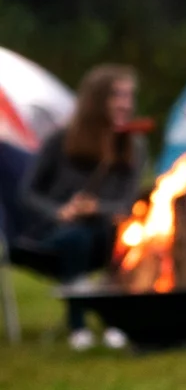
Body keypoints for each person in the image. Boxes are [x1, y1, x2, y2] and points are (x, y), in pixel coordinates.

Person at [11, 64, 150, 348]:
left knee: (114, 235)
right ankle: (79, 325)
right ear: (97, 100)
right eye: (117, 96)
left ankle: (115, 319)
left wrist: (96, 207)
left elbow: (126, 202)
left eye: (129, 96)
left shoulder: (133, 145)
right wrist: (60, 211)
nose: (126, 104)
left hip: (105, 231)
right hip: (53, 235)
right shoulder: (60, 141)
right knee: (77, 237)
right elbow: (28, 193)